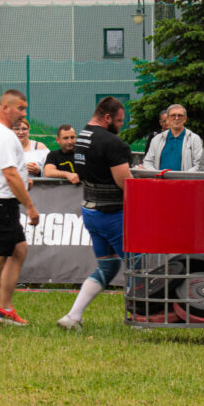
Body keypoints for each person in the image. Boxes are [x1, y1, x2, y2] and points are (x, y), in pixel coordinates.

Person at [57, 97, 132, 330]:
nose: (121, 125)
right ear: (107, 117)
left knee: (108, 267)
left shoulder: (82, 137)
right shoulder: (112, 142)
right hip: (112, 214)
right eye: (119, 121)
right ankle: (142, 319)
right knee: (139, 264)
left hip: (91, 212)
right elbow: (124, 182)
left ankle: (73, 317)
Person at [0, 89, 40, 326]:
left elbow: (7, 172)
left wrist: (24, 181)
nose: (24, 113)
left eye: (25, 108)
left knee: (19, 250)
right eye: (20, 108)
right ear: (5, 108)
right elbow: (10, 174)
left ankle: (4, 308)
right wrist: (30, 207)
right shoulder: (3, 135)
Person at [142, 104, 203, 171]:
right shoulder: (157, 139)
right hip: (160, 180)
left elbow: (199, 164)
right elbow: (147, 162)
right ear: (168, 118)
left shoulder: (194, 139)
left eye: (180, 115)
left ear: (185, 119)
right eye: (173, 115)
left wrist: (184, 177)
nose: (176, 118)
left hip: (184, 180)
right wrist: (157, 175)